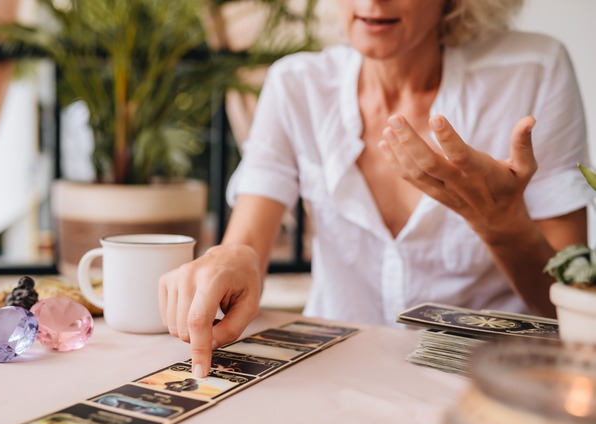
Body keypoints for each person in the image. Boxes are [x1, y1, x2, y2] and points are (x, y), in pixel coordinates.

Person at [159, 0, 592, 378]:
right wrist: (230, 257)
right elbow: (247, 243)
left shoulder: (533, 71)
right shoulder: (297, 84)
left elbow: (567, 311)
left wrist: (501, 224)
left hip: (488, 383)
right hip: (338, 377)